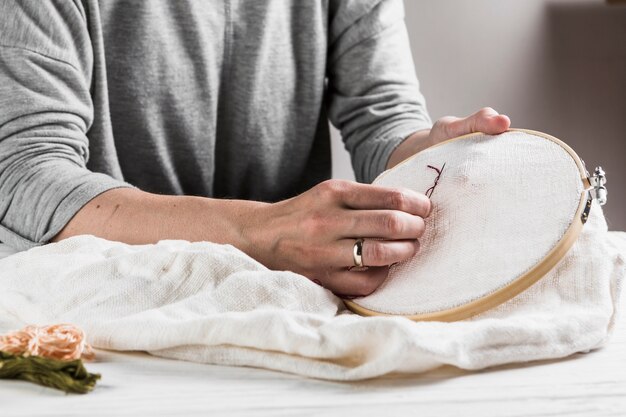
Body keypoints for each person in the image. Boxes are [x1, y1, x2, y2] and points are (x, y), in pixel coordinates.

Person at [0, 0, 510, 297]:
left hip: (287, 298)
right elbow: (28, 174)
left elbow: (382, 118)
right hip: (103, 296)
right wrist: (259, 232)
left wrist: (430, 154)